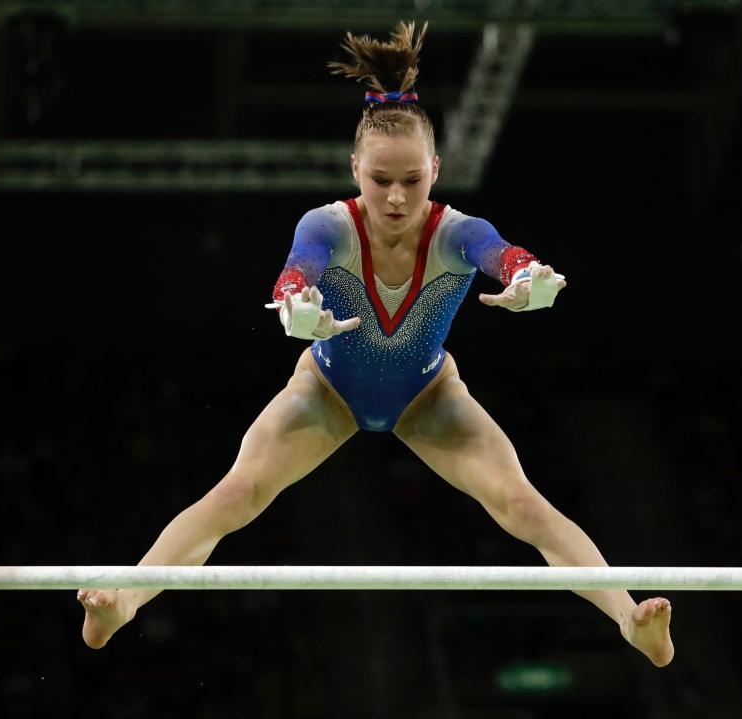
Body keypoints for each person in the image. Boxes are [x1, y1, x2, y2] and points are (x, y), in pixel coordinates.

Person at [78, 20, 674, 667]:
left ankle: (628, 618)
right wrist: (295, 305)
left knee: (521, 502)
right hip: (326, 391)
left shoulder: (457, 233)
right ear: (355, 167)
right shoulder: (327, 226)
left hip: (428, 395)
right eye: (380, 179)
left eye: (413, 181)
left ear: (436, 170)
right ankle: (124, 600)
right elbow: (293, 275)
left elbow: (505, 256)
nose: (395, 197)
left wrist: (530, 278)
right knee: (236, 493)